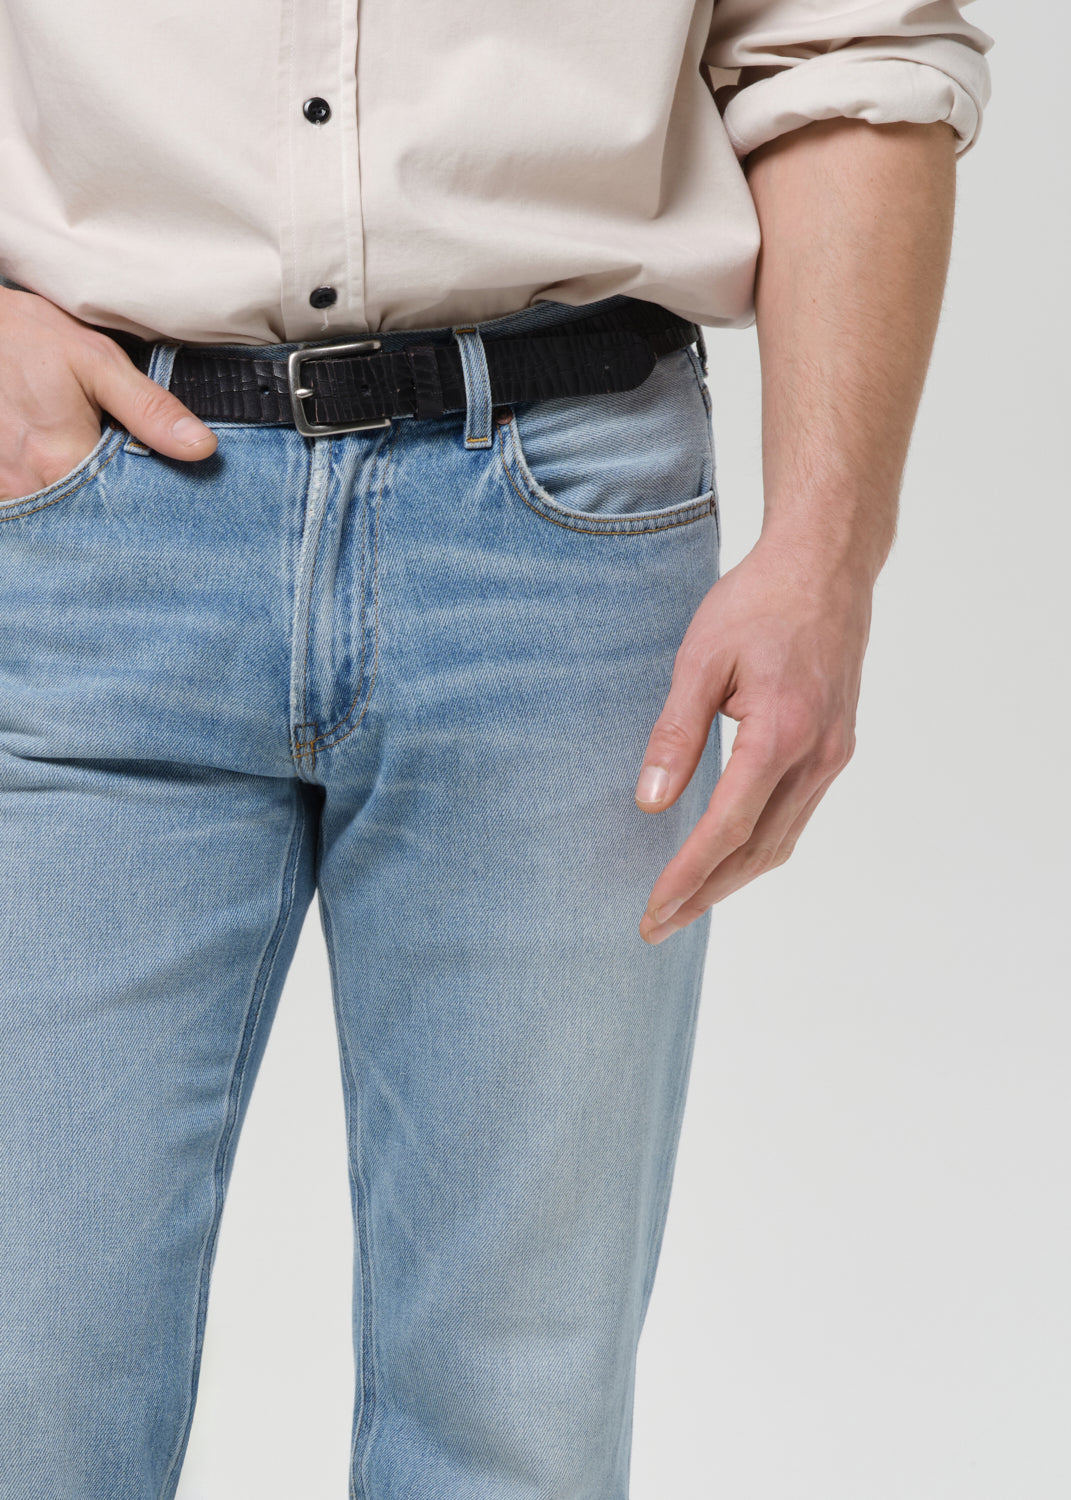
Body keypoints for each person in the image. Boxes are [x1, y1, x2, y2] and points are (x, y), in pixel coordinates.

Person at [0, 2, 993, 1497]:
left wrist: (830, 546)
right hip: (85, 529)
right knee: (27, 1400)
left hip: (563, 531)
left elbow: (842, 48)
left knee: (512, 1434)